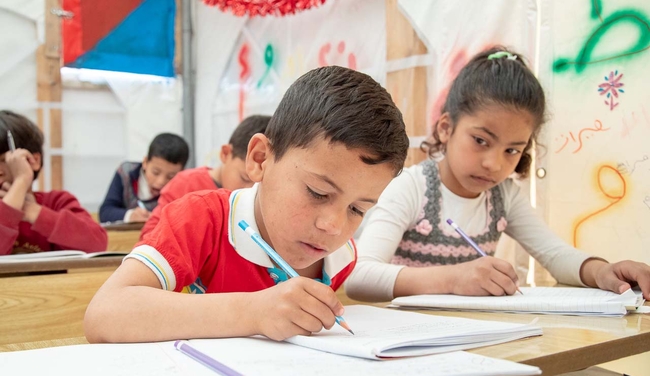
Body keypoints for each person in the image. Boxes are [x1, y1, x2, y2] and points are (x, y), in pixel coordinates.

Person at [84, 66, 409, 343]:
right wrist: (254, 311)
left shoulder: (341, 257)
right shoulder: (202, 218)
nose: (334, 226)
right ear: (260, 159)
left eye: (357, 210)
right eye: (317, 192)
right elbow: (105, 312)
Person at [345, 46, 650, 302]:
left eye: (512, 150)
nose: (493, 163)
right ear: (446, 128)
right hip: (409, 343)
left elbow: (555, 255)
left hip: (478, 342)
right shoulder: (412, 188)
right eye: (481, 141)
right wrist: (453, 278)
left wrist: (602, 272)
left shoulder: (503, 197)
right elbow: (360, 276)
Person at [139, 115, 271, 239]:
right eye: (245, 178)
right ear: (225, 154)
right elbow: (149, 238)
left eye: (259, 185)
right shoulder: (186, 184)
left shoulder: (259, 201)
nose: (249, 189)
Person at [0, 110, 107, 255]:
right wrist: (18, 189)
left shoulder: (57, 202)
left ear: (33, 161)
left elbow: (97, 244)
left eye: (3, 161)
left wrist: (30, 209)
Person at [98, 133, 189, 223]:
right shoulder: (126, 172)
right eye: (155, 172)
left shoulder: (184, 187)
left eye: (170, 177)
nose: (161, 181)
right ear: (145, 162)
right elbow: (105, 212)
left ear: (182, 173)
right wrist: (130, 215)